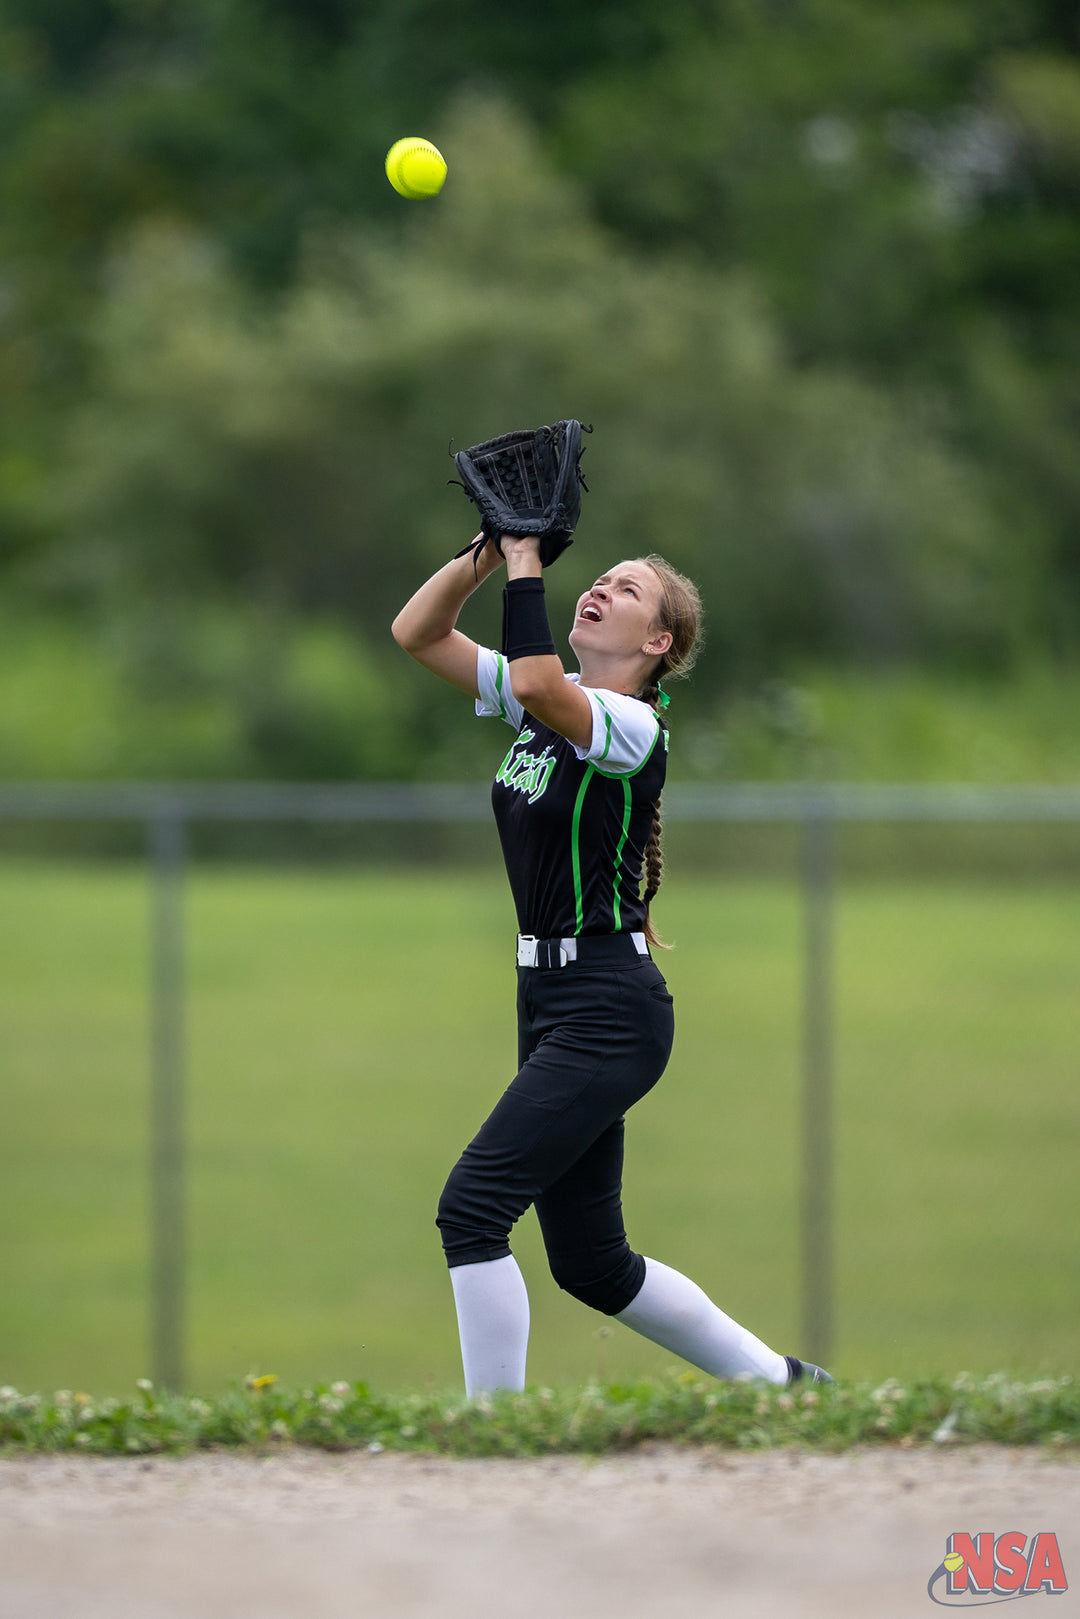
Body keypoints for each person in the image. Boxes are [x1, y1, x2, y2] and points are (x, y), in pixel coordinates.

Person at [391, 529, 834, 1393]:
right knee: (593, 1263)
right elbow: (418, 633)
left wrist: (528, 561)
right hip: (549, 998)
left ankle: (495, 1434)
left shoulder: (630, 725)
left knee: (472, 1208)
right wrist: (488, 553)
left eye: (625, 590)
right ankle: (785, 1386)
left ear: (658, 641)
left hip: (607, 1007)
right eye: (598, 579)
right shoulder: (546, 703)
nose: (598, 589)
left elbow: (534, 681)